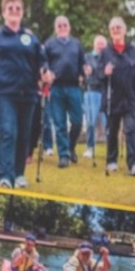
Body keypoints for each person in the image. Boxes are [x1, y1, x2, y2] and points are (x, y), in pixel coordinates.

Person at [0, 0, 45, 188]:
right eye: (10, 8)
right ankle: (4, 176)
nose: (14, 11)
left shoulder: (30, 38)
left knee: (24, 134)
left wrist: (45, 72)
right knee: (8, 131)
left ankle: (18, 174)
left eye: (18, 8)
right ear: (3, 13)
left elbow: (42, 60)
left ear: (23, 13)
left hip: (29, 93)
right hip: (4, 93)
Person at [101, 16, 135, 176]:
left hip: (130, 97)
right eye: (113, 28)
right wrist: (104, 73)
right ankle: (112, 161)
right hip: (113, 98)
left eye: (118, 27)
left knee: (130, 129)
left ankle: (133, 164)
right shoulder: (105, 52)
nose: (115, 30)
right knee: (112, 130)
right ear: (110, 32)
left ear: (125, 30)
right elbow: (99, 75)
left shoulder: (134, 51)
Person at [43, 15, 86, 169]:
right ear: (56, 29)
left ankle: (71, 146)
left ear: (69, 27)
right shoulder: (49, 44)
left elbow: (82, 63)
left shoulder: (76, 44)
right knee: (60, 123)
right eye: (59, 25)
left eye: (65, 25)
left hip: (74, 87)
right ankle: (63, 156)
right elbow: (44, 61)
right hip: (56, 88)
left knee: (78, 121)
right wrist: (46, 71)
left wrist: (84, 72)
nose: (62, 27)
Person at [82, 33, 108, 157]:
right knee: (91, 122)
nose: (101, 46)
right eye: (99, 43)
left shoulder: (108, 57)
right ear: (94, 44)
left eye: (103, 44)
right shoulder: (87, 57)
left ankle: (111, 149)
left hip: (106, 92)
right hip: (91, 92)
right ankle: (90, 148)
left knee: (107, 122)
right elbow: (84, 71)